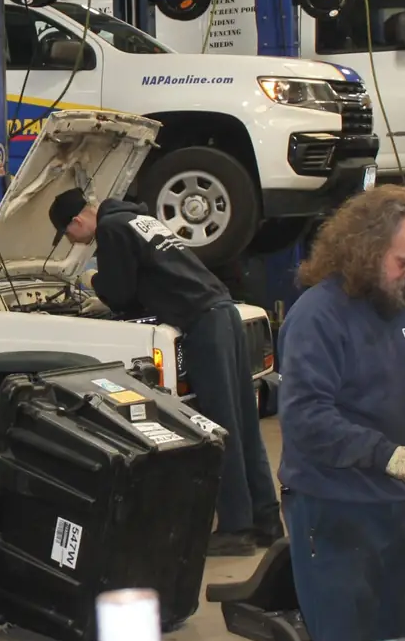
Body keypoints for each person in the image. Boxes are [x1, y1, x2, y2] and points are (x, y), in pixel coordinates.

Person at [49, 188, 282, 557]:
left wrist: (92, 282)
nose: (72, 242)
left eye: (66, 235)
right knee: (243, 423)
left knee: (219, 425)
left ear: (76, 222)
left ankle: (237, 528)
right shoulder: (140, 219)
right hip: (224, 313)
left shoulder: (110, 230)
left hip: (203, 324)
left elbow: (121, 294)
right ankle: (267, 520)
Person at [277, 184, 405, 641]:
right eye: (403, 263)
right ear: (366, 248)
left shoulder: (404, 302)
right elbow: (306, 417)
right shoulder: (318, 318)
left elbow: (404, 388)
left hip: (392, 505)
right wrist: (388, 455)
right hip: (334, 510)